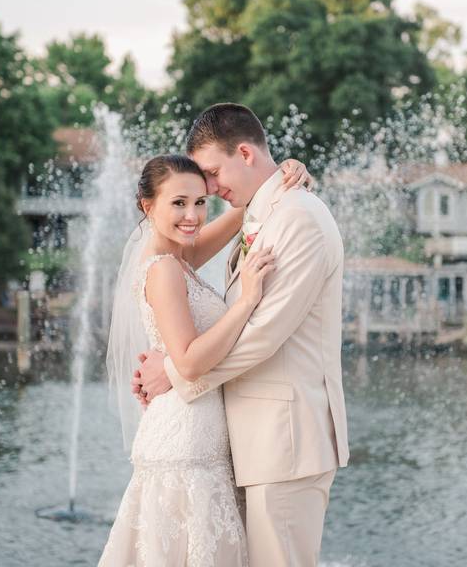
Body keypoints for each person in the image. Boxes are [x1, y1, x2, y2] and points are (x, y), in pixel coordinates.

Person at [135, 103, 349, 567]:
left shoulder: (298, 218)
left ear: (246, 153)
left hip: (286, 442)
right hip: (248, 443)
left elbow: (262, 335)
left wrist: (176, 372)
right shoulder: (262, 213)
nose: (208, 190)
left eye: (212, 174)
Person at [98, 152, 312, 567]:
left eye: (199, 202)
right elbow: (191, 362)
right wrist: (248, 298)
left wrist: (280, 174)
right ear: (148, 205)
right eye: (178, 203)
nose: (192, 215)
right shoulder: (164, 269)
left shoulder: (180, 258)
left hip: (200, 435)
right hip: (185, 442)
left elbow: (242, 210)